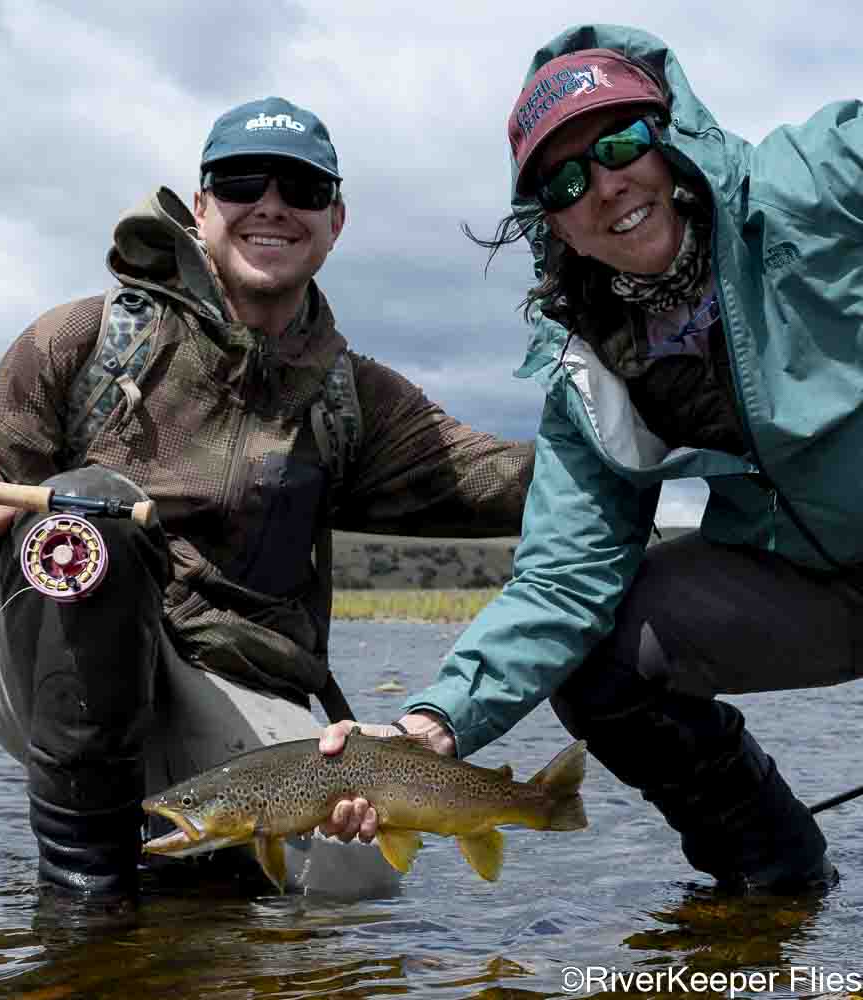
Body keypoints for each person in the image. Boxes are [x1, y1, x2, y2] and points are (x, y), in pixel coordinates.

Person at [0, 97, 534, 896]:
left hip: (233, 694)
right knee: (92, 510)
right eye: (239, 182)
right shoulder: (80, 342)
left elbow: (519, 484)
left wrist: (660, 418)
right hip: (45, 674)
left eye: (298, 186)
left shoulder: (359, 401)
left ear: (335, 220)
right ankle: (86, 904)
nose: (269, 204)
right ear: (199, 207)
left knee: (351, 888)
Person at [321, 25, 863, 895]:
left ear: (670, 138)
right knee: (597, 648)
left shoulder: (818, 180)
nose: (607, 185)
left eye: (620, 144)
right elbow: (560, 581)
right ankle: (775, 886)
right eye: (568, 179)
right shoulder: (587, 371)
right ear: (555, 224)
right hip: (816, 589)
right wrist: (432, 725)